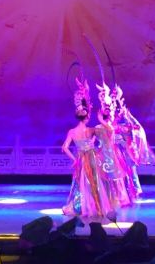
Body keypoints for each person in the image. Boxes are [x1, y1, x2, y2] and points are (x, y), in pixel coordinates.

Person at [62, 78, 115, 218]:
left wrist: (74, 159)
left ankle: (81, 206)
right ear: (86, 118)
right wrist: (102, 120)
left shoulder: (72, 131)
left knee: (81, 183)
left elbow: (65, 148)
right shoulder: (91, 130)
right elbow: (110, 131)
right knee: (94, 182)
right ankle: (97, 208)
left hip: (80, 158)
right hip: (91, 157)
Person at [111, 84, 155, 200]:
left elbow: (137, 127)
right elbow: (111, 128)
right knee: (120, 172)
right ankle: (122, 192)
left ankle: (135, 191)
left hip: (127, 150)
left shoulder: (128, 123)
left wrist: (127, 116)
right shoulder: (114, 120)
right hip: (117, 149)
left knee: (131, 170)